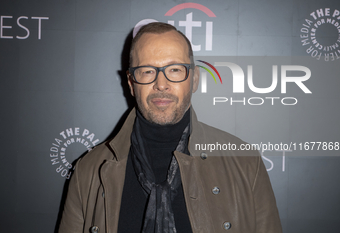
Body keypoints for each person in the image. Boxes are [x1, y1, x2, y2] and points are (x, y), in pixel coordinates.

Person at [58, 22, 282, 233]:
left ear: (194, 79)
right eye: (147, 71)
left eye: (174, 69)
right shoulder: (89, 171)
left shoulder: (244, 162)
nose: (161, 84)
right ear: (131, 83)